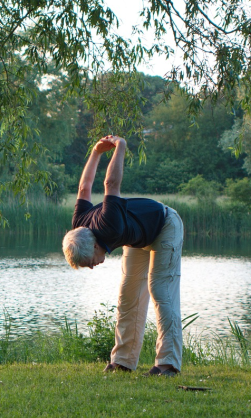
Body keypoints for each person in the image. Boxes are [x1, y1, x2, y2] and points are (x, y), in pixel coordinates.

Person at [62, 135, 184, 377]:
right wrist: (96, 152)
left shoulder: (109, 225)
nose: (93, 267)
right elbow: (84, 188)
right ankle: (123, 361)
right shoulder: (79, 225)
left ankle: (168, 364)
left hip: (165, 225)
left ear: (95, 246)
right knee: (128, 296)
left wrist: (120, 147)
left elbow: (111, 183)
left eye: (89, 263)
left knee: (160, 290)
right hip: (138, 237)